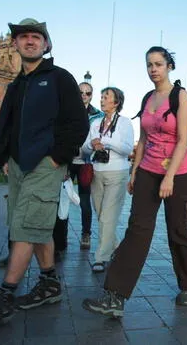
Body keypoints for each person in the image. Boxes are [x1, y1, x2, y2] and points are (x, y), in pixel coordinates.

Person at [0, 18, 89, 329]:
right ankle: (49, 282)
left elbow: (78, 124)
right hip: (19, 166)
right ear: (16, 44)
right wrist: (6, 156)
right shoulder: (17, 84)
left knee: (23, 227)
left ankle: (5, 296)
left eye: (36, 37)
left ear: (46, 45)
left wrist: (55, 159)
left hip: (45, 165)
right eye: (23, 37)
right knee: (35, 226)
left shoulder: (60, 78)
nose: (30, 41)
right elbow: (9, 125)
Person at [82, 46, 187, 317]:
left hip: (179, 171)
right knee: (137, 229)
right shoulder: (148, 98)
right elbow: (144, 139)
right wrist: (135, 171)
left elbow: (183, 139)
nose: (153, 69)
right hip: (148, 168)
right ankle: (115, 296)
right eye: (149, 65)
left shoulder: (182, 97)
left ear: (169, 66)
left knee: (177, 230)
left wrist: (169, 177)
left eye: (158, 64)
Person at [81, 87, 133, 273]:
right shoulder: (96, 123)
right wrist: (92, 144)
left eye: (106, 97)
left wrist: (106, 142)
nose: (101, 100)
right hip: (97, 171)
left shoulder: (125, 123)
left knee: (107, 217)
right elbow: (85, 148)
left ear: (116, 102)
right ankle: (116, 246)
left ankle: (100, 258)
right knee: (102, 214)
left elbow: (127, 149)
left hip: (117, 173)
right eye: (101, 97)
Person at [54, 81, 104, 253]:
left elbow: (98, 138)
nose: (84, 95)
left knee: (84, 201)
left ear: (92, 95)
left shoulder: (98, 115)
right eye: (81, 92)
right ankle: (61, 237)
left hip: (85, 163)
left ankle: (86, 234)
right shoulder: (67, 110)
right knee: (63, 199)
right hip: (67, 162)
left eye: (88, 93)